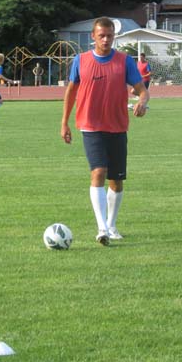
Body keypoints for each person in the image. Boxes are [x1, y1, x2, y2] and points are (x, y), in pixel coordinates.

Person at [61, 17, 149, 246]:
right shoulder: (81, 60)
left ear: (114, 36)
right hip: (90, 125)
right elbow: (71, 92)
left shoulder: (124, 61)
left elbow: (142, 90)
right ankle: (101, 228)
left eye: (109, 36)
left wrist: (142, 101)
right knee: (98, 171)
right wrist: (64, 122)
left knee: (116, 181)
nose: (106, 40)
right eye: (101, 35)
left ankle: (111, 225)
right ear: (93, 36)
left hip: (117, 126)